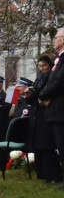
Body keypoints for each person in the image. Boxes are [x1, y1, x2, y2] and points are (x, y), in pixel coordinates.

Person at [38, 28, 64, 188]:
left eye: (56, 37)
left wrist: (42, 94)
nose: (54, 40)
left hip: (60, 110)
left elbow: (57, 82)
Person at [32, 55, 63, 183]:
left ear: (50, 65)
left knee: (48, 145)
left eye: (44, 65)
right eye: (40, 66)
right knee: (40, 145)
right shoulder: (40, 78)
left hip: (48, 111)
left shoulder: (51, 76)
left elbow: (50, 90)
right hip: (39, 113)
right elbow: (36, 91)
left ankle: (54, 174)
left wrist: (42, 96)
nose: (42, 68)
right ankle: (44, 173)